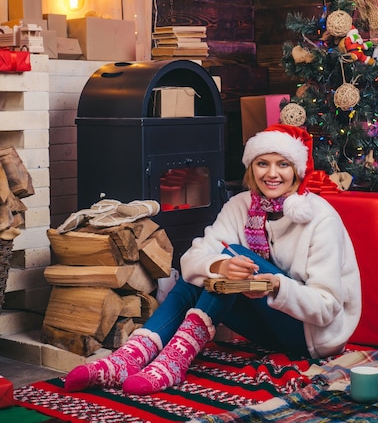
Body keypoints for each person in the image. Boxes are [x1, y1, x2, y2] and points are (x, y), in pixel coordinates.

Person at [64, 123, 361, 395]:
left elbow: (327, 307)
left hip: (311, 336)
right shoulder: (240, 205)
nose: (272, 174)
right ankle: (132, 355)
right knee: (214, 267)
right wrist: (218, 266)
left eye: (282, 164)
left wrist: (273, 286)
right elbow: (193, 258)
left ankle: (174, 360)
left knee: (235, 257)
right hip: (267, 328)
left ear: (297, 170)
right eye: (262, 163)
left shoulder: (320, 217)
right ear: (251, 168)